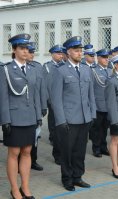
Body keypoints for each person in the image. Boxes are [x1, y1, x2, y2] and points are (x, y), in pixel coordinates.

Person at [51, 36, 96, 191]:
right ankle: (67, 179)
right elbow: (56, 99)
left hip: (84, 118)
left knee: (80, 151)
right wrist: (61, 121)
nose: (80, 53)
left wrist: (92, 114)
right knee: (67, 152)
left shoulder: (86, 69)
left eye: (81, 51)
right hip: (69, 119)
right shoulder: (60, 71)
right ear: (68, 52)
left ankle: (78, 176)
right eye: (76, 51)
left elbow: (91, 94)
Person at [0, 33, 41, 199]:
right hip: (14, 118)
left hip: (30, 117)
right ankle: (14, 189)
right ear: (14, 50)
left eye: (27, 48)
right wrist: (5, 120)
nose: (25, 51)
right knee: (14, 153)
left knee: (27, 151)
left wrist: (38, 116)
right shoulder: (6, 70)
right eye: (22, 48)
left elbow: (35, 94)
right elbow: (3, 96)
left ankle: (25, 187)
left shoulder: (31, 69)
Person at [26, 42, 47, 171]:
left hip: (36, 107)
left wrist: (43, 106)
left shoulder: (38, 67)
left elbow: (42, 88)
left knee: (35, 136)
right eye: (29, 52)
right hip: (23, 108)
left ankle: (33, 160)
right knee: (23, 138)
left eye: (33, 52)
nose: (32, 54)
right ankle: (20, 162)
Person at [43, 44, 64, 165]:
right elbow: (45, 86)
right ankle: (57, 155)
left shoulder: (64, 66)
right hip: (52, 101)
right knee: (55, 128)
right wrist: (46, 101)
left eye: (62, 53)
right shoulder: (47, 67)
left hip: (63, 102)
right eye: (58, 53)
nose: (60, 55)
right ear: (52, 54)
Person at [89, 49, 112, 157]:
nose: (106, 59)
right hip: (98, 105)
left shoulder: (110, 71)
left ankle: (103, 147)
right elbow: (91, 89)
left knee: (105, 128)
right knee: (97, 129)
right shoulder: (93, 71)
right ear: (98, 58)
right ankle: (96, 148)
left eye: (107, 57)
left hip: (108, 105)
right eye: (104, 57)